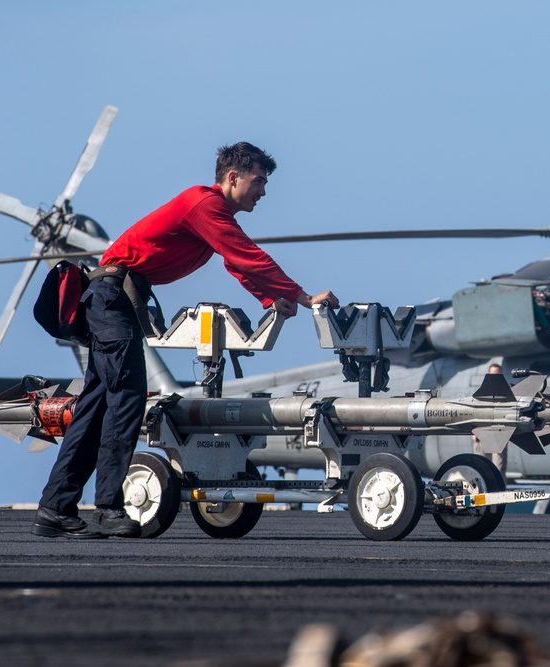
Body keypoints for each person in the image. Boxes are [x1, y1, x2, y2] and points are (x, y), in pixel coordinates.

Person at [32, 142, 340, 539]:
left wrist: (271, 299)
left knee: (95, 408)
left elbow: (236, 262)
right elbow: (246, 255)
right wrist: (302, 296)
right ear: (233, 178)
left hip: (112, 304)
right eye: (258, 181)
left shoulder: (213, 214)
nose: (263, 191)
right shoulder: (203, 204)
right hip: (111, 302)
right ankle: (108, 508)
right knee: (126, 401)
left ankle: (55, 508)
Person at [473, 363, 508, 474]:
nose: (495, 376)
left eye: (498, 374)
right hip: (482, 434)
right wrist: (473, 431)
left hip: (499, 435)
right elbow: (473, 411)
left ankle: (499, 491)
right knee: (481, 468)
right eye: (493, 374)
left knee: (498, 469)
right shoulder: (481, 392)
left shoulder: (507, 393)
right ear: (488, 375)